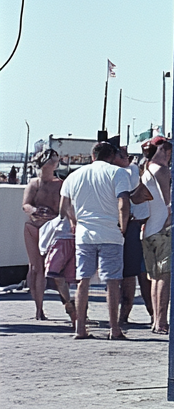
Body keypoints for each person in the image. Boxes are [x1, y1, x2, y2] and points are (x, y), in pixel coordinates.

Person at [59, 140, 132, 340]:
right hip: (110, 232)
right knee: (112, 281)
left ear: (93, 156)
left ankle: (80, 328)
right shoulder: (118, 173)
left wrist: (75, 221)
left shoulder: (74, 176)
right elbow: (123, 201)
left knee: (83, 280)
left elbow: (64, 206)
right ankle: (114, 329)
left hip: (84, 233)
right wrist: (123, 226)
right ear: (111, 156)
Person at [112, 145, 154, 326]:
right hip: (135, 225)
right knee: (138, 273)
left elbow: (124, 202)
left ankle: (126, 314)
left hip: (131, 225)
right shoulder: (132, 170)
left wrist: (123, 226)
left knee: (131, 273)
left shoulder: (129, 171)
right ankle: (152, 315)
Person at [21, 149, 63, 320]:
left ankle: (68, 306)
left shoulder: (60, 184)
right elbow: (26, 205)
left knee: (53, 269)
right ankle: (39, 308)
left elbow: (64, 208)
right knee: (36, 267)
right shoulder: (34, 184)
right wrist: (36, 211)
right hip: (34, 227)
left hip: (52, 229)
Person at [141, 138, 172, 334]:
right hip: (163, 229)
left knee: (154, 277)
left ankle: (155, 320)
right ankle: (161, 321)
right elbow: (168, 201)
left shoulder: (146, 170)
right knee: (164, 277)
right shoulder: (161, 170)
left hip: (149, 229)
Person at [40, 212, 77, 326]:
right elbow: (64, 208)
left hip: (78, 237)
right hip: (62, 235)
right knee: (57, 275)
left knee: (75, 279)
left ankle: (76, 313)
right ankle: (70, 306)